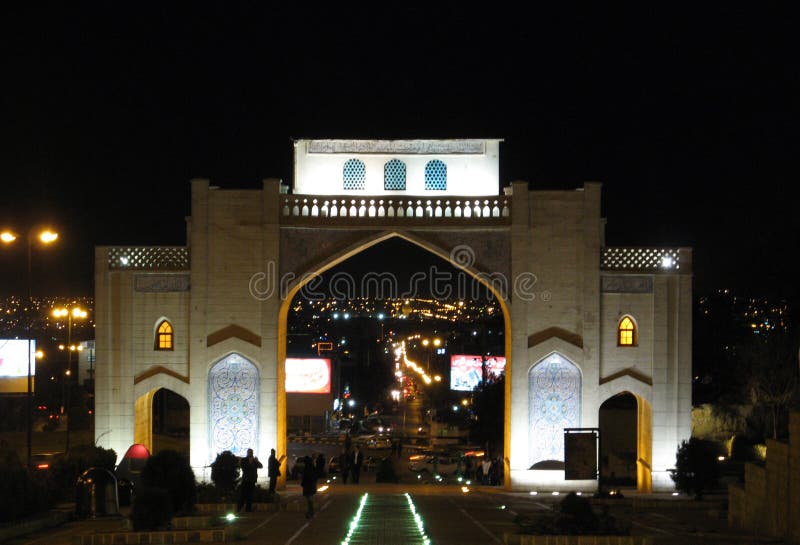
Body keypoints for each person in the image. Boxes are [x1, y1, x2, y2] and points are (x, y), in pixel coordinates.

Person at [237, 448, 263, 512]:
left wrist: (257, 461)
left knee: (250, 496)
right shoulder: (244, 460)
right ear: (247, 453)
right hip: (246, 480)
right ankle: (239, 508)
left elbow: (261, 466)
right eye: (249, 452)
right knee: (243, 495)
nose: (250, 453)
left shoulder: (254, 460)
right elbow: (244, 468)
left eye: (251, 452)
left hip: (252, 480)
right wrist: (250, 463)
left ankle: (248, 509)